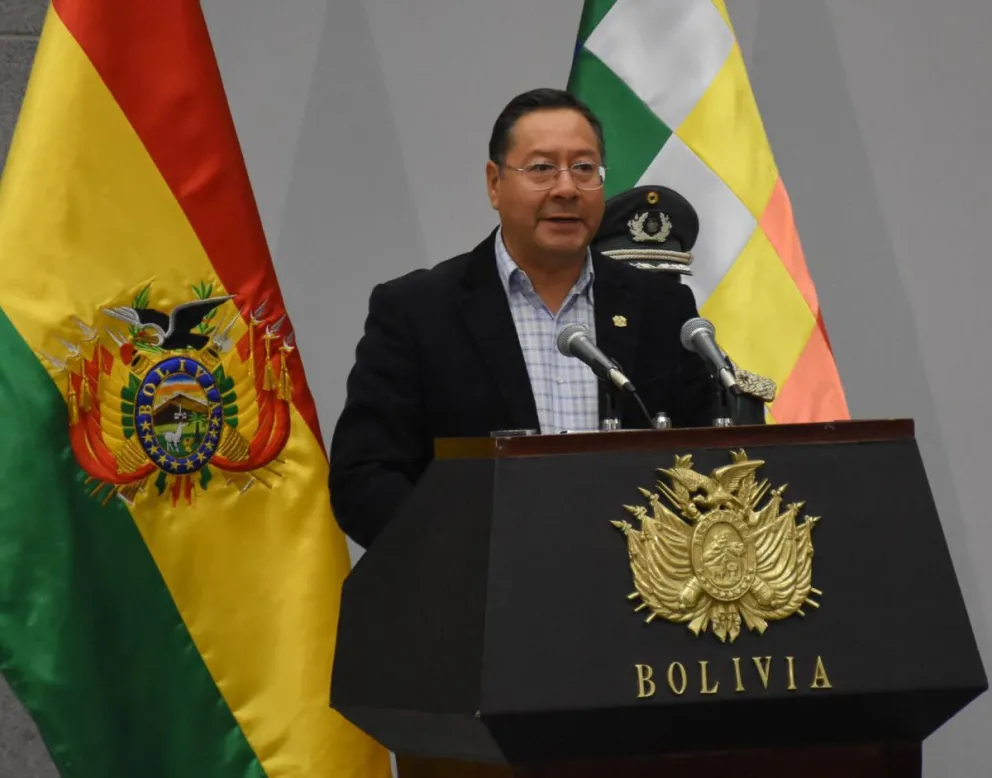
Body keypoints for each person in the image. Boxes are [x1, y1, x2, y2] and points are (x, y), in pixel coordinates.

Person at [328, 88, 714, 549]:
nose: (566, 188)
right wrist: (464, 558)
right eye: (542, 168)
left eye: (584, 168)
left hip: (639, 600)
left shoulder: (660, 308)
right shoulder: (418, 311)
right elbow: (365, 477)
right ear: (495, 183)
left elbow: (709, 458)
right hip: (480, 599)